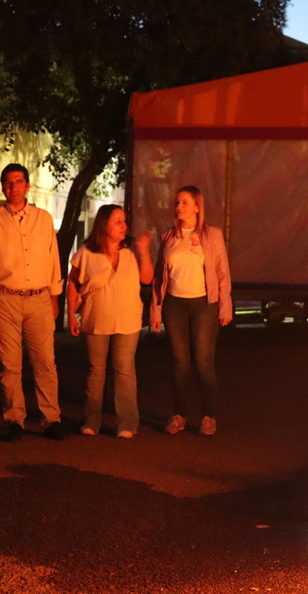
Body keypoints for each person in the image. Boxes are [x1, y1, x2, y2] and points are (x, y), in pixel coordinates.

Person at [0, 163, 66, 442]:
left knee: (45, 362)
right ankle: (15, 419)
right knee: (10, 365)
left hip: (38, 299)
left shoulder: (43, 219)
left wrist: (54, 299)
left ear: (28, 185)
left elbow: (53, 262)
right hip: (4, 300)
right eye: (8, 182)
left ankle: (51, 418)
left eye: (18, 181)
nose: (13, 187)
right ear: (3, 187)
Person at [150, 185, 232, 436]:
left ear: (197, 206)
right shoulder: (168, 237)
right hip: (175, 304)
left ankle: (208, 416)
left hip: (204, 304)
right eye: (177, 203)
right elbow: (158, 276)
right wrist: (155, 309)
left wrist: (225, 305)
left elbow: (222, 271)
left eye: (185, 202)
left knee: (203, 361)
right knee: (180, 362)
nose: (179, 207)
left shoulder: (211, 235)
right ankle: (179, 415)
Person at [66, 205, 153, 438]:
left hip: (128, 318)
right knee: (96, 370)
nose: (124, 226)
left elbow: (147, 278)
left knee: (124, 368)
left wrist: (144, 252)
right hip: (97, 318)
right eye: (117, 221)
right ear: (103, 224)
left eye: (124, 221)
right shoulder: (86, 252)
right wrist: (71, 315)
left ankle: (127, 422)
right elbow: (73, 282)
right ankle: (92, 419)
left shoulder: (131, 251)